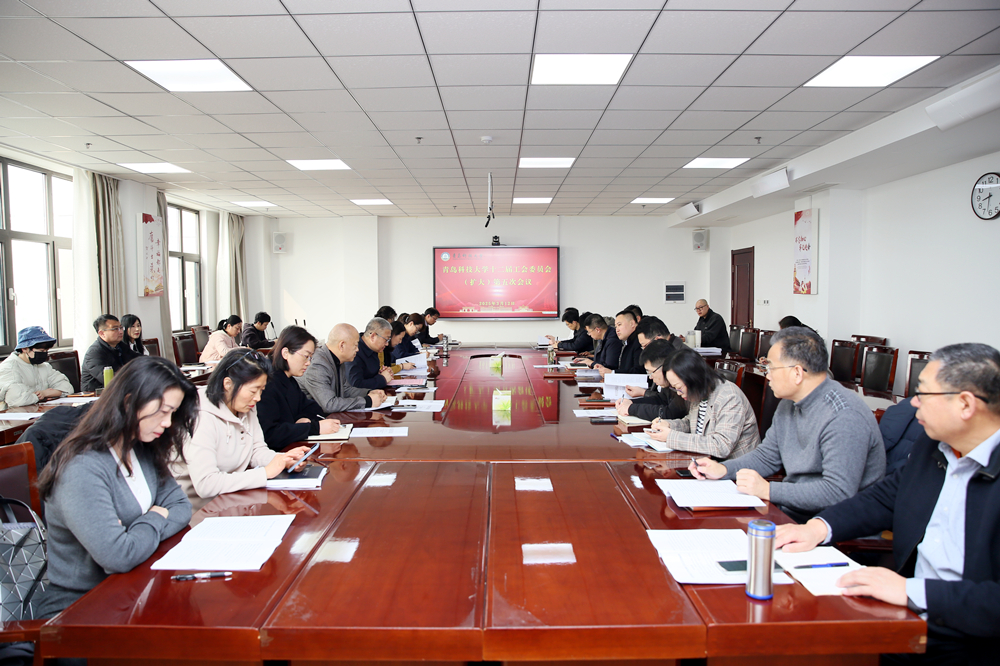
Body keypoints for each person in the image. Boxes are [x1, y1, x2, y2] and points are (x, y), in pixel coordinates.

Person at [775, 343, 1000, 665]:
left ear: (965, 404)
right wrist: (818, 527)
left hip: (971, 640)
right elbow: (885, 497)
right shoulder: (933, 445)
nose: (914, 402)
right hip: (908, 619)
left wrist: (911, 591)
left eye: (923, 393)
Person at [34, 356, 197, 619]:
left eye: (173, 413)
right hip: (80, 608)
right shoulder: (82, 468)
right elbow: (119, 557)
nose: (168, 422)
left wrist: (133, 534)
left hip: (134, 589)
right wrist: (155, 516)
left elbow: (180, 507)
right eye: (163, 411)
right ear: (129, 402)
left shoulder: (141, 447)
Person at [689, 326, 885, 522]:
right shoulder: (788, 404)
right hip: (793, 511)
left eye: (771, 368)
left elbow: (837, 492)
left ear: (797, 373)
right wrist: (723, 470)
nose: (767, 375)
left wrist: (768, 490)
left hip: (831, 524)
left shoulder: (844, 415)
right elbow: (767, 457)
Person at [171, 349, 312, 511]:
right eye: (253, 391)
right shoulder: (200, 416)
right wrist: (265, 473)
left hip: (234, 500)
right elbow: (206, 484)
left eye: (261, 390)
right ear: (228, 384)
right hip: (199, 511)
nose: (258, 398)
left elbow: (256, 450)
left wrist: (282, 460)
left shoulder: (245, 405)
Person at [645, 347, 760, 459]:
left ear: (693, 379)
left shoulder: (729, 397)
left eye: (679, 388)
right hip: (707, 461)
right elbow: (691, 423)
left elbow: (721, 446)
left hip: (734, 467)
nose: (678, 393)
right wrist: (669, 425)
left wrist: (671, 436)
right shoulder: (700, 392)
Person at [255, 325, 341, 452]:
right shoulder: (266, 384)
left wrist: (303, 420)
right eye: (306, 356)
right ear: (285, 353)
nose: (308, 362)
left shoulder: (289, 380)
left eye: (310, 357)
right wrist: (314, 428)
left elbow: (313, 408)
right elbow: (271, 435)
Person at [298, 323, 387, 412]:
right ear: (342, 345)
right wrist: (367, 401)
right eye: (355, 345)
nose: (357, 349)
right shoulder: (317, 365)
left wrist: (368, 393)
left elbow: (345, 390)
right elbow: (329, 404)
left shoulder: (337, 359)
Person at [618, 339, 695, 422]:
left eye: (651, 372)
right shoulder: (668, 384)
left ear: (664, 366)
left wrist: (632, 409)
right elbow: (661, 399)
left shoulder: (683, 382)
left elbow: (670, 413)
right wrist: (631, 403)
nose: (650, 377)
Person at [0, 325, 73, 409]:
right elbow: (18, 400)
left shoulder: (44, 366)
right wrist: (41, 396)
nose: (44, 354)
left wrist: (45, 393)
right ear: (24, 348)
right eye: (41, 351)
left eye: (46, 351)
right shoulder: (9, 368)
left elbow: (67, 388)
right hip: (16, 415)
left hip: (40, 411)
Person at [81, 314, 140, 391]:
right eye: (115, 329)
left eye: (121, 328)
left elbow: (138, 359)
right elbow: (108, 378)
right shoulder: (94, 353)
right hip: (96, 394)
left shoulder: (120, 346)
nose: (121, 332)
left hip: (119, 390)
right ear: (102, 333)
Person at [348, 317, 395, 390]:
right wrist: (382, 379)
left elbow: (368, 376)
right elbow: (355, 386)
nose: (387, 344)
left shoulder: (372, 348)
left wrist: (381, 373)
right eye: (386, 339)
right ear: (373, 336)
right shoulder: (355, 351)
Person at [612, 309, 643, 376]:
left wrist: (612, 372)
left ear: (632, 324)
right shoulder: (627, 342)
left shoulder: (640, 341)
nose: (617, 330)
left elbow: (638, 372)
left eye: (619, 325)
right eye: (616, 327)